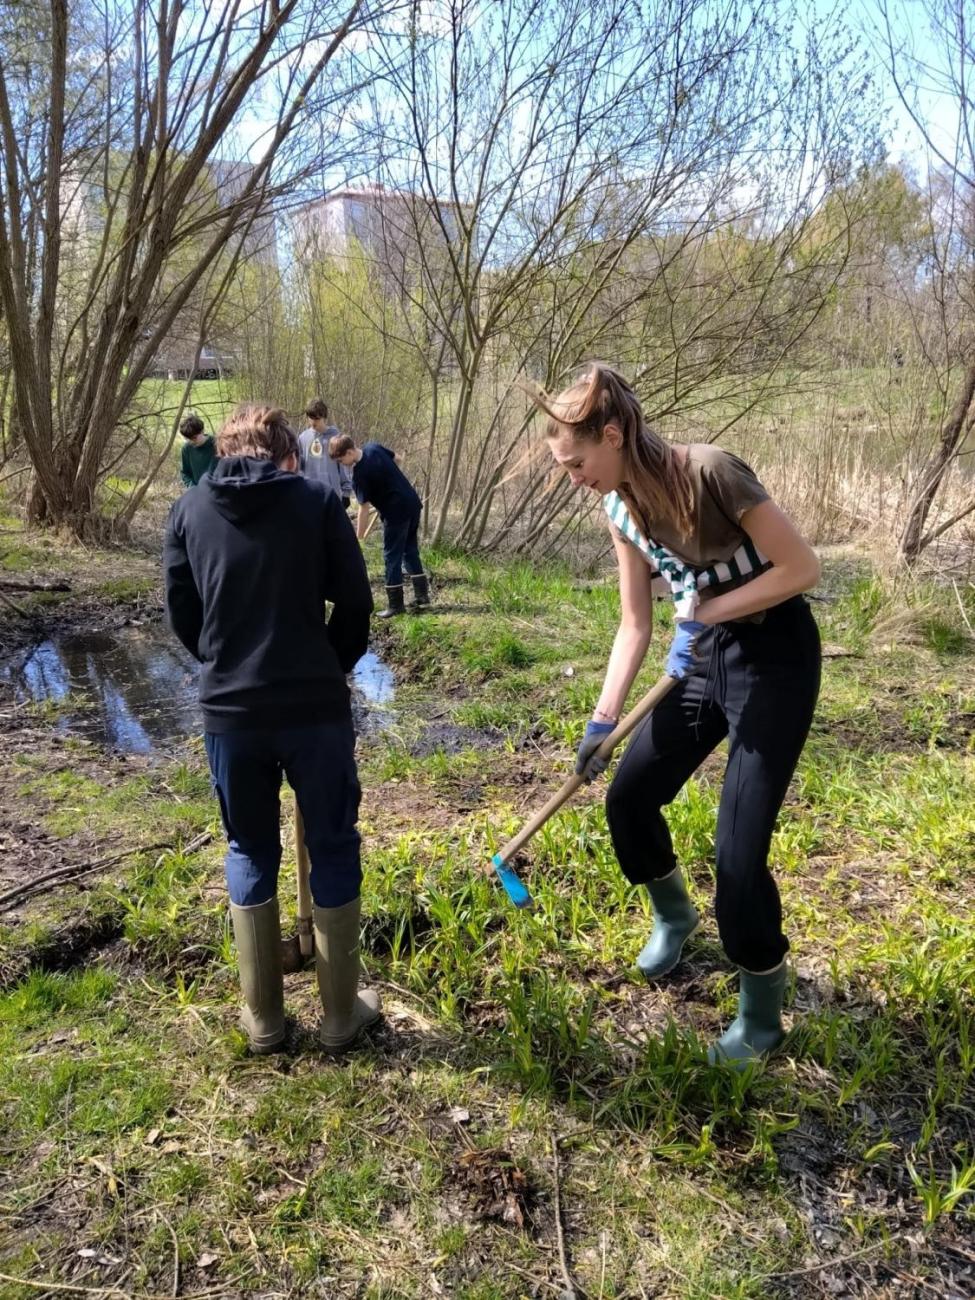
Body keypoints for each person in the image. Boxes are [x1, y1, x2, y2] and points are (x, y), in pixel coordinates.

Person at [535, 364, 821, 1067]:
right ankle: (673, 915)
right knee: (628, 796)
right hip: (701, 659)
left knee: (737, 854)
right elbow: (635, 622)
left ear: (611, 435)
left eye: (576, 462)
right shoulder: (617, 510)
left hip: (774, 660)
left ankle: (759, 1013)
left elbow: (801, 567)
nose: (572, 477)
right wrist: (601, 723)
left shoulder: (711, 473)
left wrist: (705, 611)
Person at [163, 404, 380, 1054]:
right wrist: (330, 664)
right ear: (288, 457)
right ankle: (341, 1018)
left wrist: (222, 664)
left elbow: (182, 612)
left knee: (249, 849)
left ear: (226, 455)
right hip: (314, 709)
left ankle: (264, 1022)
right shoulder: (316, 501)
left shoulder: (187, 511)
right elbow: (357, 601)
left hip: (232, 714)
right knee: (334, 845)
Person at [329, 433, 430, 618]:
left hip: (396, 512)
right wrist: (390, 482)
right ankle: (422, 596)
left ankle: (395, 605)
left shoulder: (359, 476)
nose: (341, 463)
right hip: (412, 502)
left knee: (391, 555)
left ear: (350, 452)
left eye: (341, 459)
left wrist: (358, 538)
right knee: (410, 549)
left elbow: (363, 509)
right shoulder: (373, 447)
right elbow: (397, 459)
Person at [297, 398, 353, 507]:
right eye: (311, 418)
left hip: (332, 495)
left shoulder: (335, 436)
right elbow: (299, 468)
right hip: (310, 495)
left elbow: (343, 465)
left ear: (324, 416)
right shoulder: (302, 438)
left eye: (317, 418)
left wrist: (346, 493)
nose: (313, 422)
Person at [179, 413, 218, 486]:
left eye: (194, 438)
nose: (191, 441)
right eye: (188, 439)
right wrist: (193, 488)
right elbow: (185, 473)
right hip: (198, 492)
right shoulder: (186, 449)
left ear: (202, 431)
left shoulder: (218, 444)